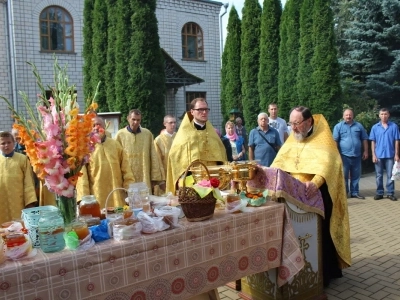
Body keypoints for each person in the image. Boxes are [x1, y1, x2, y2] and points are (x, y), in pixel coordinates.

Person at [271, 106, 351, 287]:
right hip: (292, 194)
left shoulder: (323, 136)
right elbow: (280, 161)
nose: (293, 128)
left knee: (319, 234)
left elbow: (330, 164)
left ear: (308, 122)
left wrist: (315, 183)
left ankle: (321, 275)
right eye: (291, 123)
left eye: (297, 123)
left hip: (317, 193)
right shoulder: (294, 136)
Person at [166, 98, 227, 194]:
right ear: (192, 112)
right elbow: (174, 157)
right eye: (200, 110)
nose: (204, 112)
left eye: (206, 109)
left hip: (213, 182)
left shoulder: (212, 134)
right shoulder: (184, 134)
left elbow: (221, 157)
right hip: (192, 183)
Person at [77, 117, 135, 208]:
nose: (96, 128)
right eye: (93, 126)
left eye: (99, 125)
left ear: (104, 127)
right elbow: (82, 176)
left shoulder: (115, 145)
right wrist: (84, 199)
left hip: (117, 194)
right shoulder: (86, 148)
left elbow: (126, 169)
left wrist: (129, 189)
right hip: (97, 197)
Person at [115, 109, 164, 194]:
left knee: (145, 201)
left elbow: (153, 156)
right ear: (128, 118)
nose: (136, 122)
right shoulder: (120, 135)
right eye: (133, 119)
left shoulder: (147, 134)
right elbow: (116, 157)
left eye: (138, 120)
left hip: (144, 175)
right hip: (127, 175)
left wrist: (154, 177)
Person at [0, 131, 37, 224]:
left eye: (9, 142)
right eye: (3, 143)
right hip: (1, 203)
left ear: (14, 143)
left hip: (18, 202)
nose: (6, 145)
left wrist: (30, 202)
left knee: (19, 230)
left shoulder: (22, 159)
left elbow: (28, 182)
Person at [333, 108, 369, 199]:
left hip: (357, 155)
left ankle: (355, 192)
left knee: (356, 175)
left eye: (350, 115)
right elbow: (335, 141)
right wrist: (337, 155)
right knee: (344, 176)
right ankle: (345, 193)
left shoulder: (359, 126)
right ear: (343, 116)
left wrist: (366, 151)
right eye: (346, 115)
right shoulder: (338, 126)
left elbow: (364, 139)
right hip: (344, 156)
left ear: (353, 115)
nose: (348, 116)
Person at [369, 108, 400, 201]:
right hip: (378, 155)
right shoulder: (375, 127)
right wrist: (373, 155)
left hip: (390, 155)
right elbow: (373, 142)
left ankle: (390, 193)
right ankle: (379, 193)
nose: (383, 116)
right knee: (379, 175)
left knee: (391, 175)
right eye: (382, 114)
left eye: (385, 114)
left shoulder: (394, 126)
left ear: (388, 115)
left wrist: (397, 154)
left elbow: (397, 141)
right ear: (379, 115)